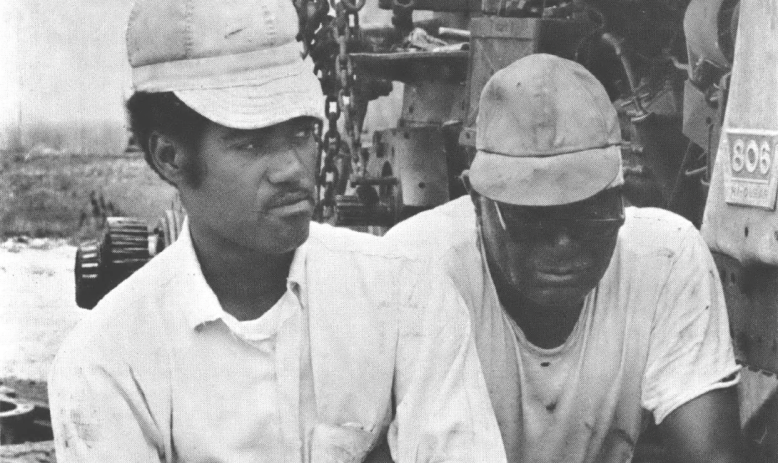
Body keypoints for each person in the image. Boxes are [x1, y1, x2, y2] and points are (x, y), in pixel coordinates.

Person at [47, 0, 506, 461]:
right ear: (169, 156)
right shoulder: (107, 361)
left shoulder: (406, 297)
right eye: (251, 143)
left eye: (302, 133)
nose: (292, 168)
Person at [384, 54, 744, 462]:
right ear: (476, 200)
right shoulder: (417, 265)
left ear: (621, 195)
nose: (562, 243)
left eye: (590, 213)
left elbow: (712, 455)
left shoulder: (666, 256)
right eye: (532, 219)